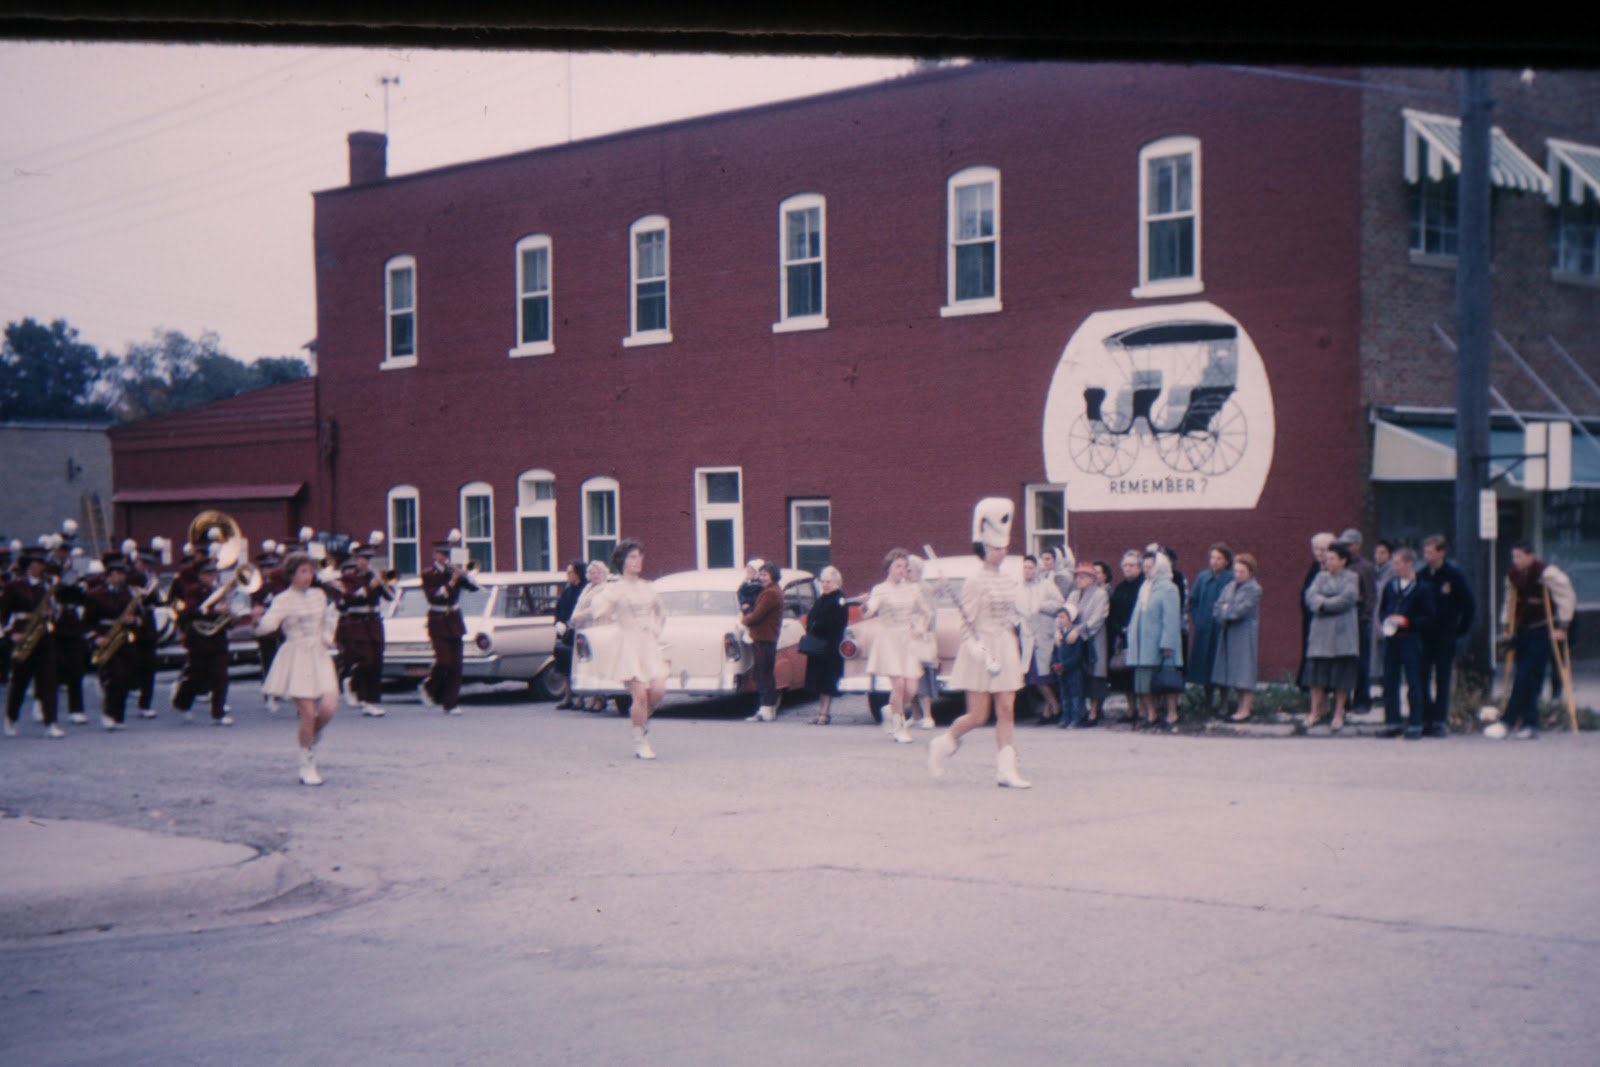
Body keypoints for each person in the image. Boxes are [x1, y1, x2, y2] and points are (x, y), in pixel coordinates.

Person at [929, 497, 1031, 788]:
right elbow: (967, 626)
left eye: (1004, 548)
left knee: (1007, 709)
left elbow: (1014, 615)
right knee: (978, 715)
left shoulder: (1009, 579)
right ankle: (943, 742)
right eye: (997, 548)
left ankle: (1006, 771)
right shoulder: (974, 581)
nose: (1002, 553)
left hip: (1005, 647)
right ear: (985, 547)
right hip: (982, 650)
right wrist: (980, 652)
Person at [571, 539, 669, 759]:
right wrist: (582, 616)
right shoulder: (614, 589)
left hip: (649, 646)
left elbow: (661, 613)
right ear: (622, 560)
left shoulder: (647, 587)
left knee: (659, 689)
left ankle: (642, 719)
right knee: (640, 695)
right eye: (632, 557)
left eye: (640, 556)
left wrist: (655, 629)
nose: (637, 561)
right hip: (628, 645)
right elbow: (599, 609)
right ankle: (640, 739)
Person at [253, 553, 341, 785]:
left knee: (330, 707)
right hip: (297, 656)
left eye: (310, 571)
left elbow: (329, 619)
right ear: (291, 575)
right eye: (303, 572)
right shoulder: (282, 599)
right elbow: (267, 627)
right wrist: (257, 619)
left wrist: (327, 637)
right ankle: (306, 763)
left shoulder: (319, 594)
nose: (308, 576)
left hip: (318, 655)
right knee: (308, 713)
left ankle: (310, 735)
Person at [1499, 542, 1577, 741]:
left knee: (1525, 675)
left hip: (1543, 630)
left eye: (1519, 556)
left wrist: (1563, 626)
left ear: (1531, 556)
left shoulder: (1547, 573)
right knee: (1529, 678)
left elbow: (1566, 597)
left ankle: (1508, 721)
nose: (1515, 561)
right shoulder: (1513, 575)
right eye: (1514, 557)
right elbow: (1509, 600)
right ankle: (1530, 724)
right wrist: (1506, 625)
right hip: (1523, 629)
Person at [862, 547, 931, 744]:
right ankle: (899, 728)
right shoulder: (880, 589)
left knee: (911, 688)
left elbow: (927, 613)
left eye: (904, 566)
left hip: (908, 640)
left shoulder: (913, 589)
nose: (902, 570)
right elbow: (869, 611)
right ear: (889, 568)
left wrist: (920, 628)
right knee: (898, 685)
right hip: (889, 639)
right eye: (898, 566)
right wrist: (865, 604)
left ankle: (890, 710)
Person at [1417, 534, 1474, 738]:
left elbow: (1468, 604)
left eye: (1430, 552)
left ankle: (1440, 720)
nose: (1427, 556)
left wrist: (1460, 630)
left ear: (1442, 553)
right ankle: (1426, 717)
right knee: (1421, 677)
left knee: (1443, 677)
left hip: (1445, 634)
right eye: (1425, 552)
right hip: (1424, 634)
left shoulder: (1454, 575)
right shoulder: (1422, 575)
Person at [4, 547, 63, 738]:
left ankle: (51, 722)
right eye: (38, 564)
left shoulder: (47, 586)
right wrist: (11, 634)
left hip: (43, 636)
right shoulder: (14, 586)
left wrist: (51, 613)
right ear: (30, 565)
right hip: (22, 633)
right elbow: (3, 614)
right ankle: (11, 718)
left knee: (48, 681)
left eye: (42, 564)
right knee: (20, 682)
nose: (41, 567)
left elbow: (56, 610)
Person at [1376, 547, 1435, 740]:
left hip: (1411, 639)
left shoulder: (1422, 588)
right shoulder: (1391, 586)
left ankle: (1416, 722)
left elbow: (1429, 617)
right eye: (1393, 563)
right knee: (1390, 681)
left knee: (1414, 682)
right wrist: (1386, 619)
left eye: (1398, 563)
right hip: (1392, 638)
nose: (1395, 567)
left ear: (1410, 564)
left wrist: (1408, 622)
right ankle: (1392, 723)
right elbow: (1383, 609)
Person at [1302, 541, 1359, 732]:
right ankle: (1315, 712)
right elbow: (1310, 597)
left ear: (1343, 560)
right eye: (1327, 559)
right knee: (1317, 675)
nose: (1328, 562)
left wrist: (1323, 603)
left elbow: (1347, 599)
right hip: (1320, 633)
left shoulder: (1352, 578)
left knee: (1342, 676)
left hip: (1343, 633)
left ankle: (1339, 713)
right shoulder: (1319, 577)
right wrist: (1324, 601)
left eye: (1333, 558)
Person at [172, 560, 236, 726]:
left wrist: (231, 615)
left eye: (214, 574)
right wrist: (214, 611)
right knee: (197, 675)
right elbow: (191, 611)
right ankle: (182, 703)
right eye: (208, 574)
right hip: (199, 640)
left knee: (221, 676)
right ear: (200, 576)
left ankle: (218, 714)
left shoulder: (221, 591)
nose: (212, 577)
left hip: (218, 639)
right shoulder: (194, 590)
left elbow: (227, 614)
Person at [418, 539, 479, 715]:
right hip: (438, 620)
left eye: (448, 555)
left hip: (454, 620)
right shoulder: (429, 574)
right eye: (442, 554)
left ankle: (450, 703)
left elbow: (473, 588)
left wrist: (465, 574)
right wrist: (452, 581)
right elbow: (434, 597)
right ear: (435, 555)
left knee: (456, 665)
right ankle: (428, 687)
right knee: (444, 661)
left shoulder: (453, 571)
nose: (445, 558)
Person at [1128, 550, 1184, 731]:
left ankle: (1172, 713)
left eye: (1150, 567)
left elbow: (1171, 619)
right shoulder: (1145, 587)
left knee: (1167, 679)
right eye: (1144, 567)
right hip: (1142, 644)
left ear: (1160, 567)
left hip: (1159, 643)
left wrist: (1167, 644)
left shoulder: (1169, 588)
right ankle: (1151, 713)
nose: (1146, 570)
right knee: (1144, 680)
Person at [336, 547, 391, 717]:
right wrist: (368, 587)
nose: (366, 562)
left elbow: (390, 596)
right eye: (363, 559)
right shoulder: (349, 577)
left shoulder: (374, 576)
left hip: (374, 623)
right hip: (358, 623)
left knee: (376, 662)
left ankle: (370, 700)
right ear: (356, 560)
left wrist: (382, 583)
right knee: (366, 660)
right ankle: (362, 694)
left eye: (368, 559)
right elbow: (348, 598)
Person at [1212, 553, 1262, 722]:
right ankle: (1233, 706)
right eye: (1236, 571)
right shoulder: (1230, 586)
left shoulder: (1254, 589)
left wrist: (1227, 609)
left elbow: (1239, 611)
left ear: (1250, 572)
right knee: (1230, 670)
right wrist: (1225, 610)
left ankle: (1245, 709)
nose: (1238, 575)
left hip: (1244, 634)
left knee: (1244, 671)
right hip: (1228, 633)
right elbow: (1217, 608)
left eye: (1242, 571)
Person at [1019, 554, 1065, 724]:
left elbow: (1060, 603)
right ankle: (1052, 708)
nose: (1027, 571)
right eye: (1025, 567)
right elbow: (1014, 610)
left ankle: (1054, 709)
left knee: (1043, 676)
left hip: (1044, 635)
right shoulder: (1020, 588)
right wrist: (1018, 622)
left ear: (1037, 569)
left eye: (1030, 567)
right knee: (1035, 677)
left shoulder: (1046, 585)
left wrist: (1041, 606)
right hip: (1028, 636)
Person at [1187, 543, 1233, 714]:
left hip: (1222, 629)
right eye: (1212, 557)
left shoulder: (1231, 578)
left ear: (1226, 561)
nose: (1214, 561)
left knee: (1221, 665)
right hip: (1204, 629)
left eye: (1219, 558)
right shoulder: (1203, 577)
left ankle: (1224, 702)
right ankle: (1208, 701)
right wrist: (1198, 619)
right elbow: (1193, 600)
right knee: (1205, 665)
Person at [1061, 561, 1108, 727]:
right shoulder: (1074, 594)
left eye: (1083, 576)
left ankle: (1094, 713)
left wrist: (1079, 630)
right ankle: (1079, 711)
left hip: (1093, 638)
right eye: (1078, 576)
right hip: (1074, 641)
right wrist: (1061, 630)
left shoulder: (1100, 594)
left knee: (1095, 674)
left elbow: (1098, 618)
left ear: (1092, 578)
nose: (1079, 579)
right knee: (1079, 675)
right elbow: (1065, 613)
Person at [803, 565, 848, 725]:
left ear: (837, 582)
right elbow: (812, 616)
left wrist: (817, 624)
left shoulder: (839, 599)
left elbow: (835, 621)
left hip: (831, 646)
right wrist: (813, 624)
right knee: (819, 681)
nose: (825, 584)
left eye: (829, 581)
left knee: (827, 681)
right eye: (823, 581)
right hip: (818, 645)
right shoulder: (822, 598)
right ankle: (820, 712)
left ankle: (825, 713)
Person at [741, 561, 785, 722]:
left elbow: (758, 615)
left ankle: (766, 709)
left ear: (773, 576)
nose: (762, 577)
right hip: (767, 637)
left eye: (765, 575)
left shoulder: (771, 593)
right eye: (761, 574)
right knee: (765, 673)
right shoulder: (773, 590)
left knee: (763, 674)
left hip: (764, 637)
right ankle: (768, 708)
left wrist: (744, 620)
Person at [1340, 528, 1378, 712]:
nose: (1346, 548)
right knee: (1344, 661)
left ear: (1357, 546)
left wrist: (1366, 617)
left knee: (1362, 662)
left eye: (1349, 545)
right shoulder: (1342, 565)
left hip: (1361, 620)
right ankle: (1344, 699)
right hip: (1344, 620)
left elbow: (1371, 595)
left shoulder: (1366, 567)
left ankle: (1362, 699)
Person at [1106, 550, 1144, 719]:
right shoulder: (1120, 588)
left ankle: (1144, 710)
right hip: (1122, 637)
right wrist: (1119, 628)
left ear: (1139, 567)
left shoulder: (1144, 586)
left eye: (1132, 565)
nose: (1128, 568)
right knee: (1124, 676)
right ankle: (1131, 710)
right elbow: (1113, 612)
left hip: (1140, 637)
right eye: (1125, 565)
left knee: (1139, 676)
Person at [904, 555, 941, 730]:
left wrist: (922, 629)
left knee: (923, 677)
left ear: (918, 571)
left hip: (921, 638)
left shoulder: (924, 588)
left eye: (909, 570)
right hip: (906, 637)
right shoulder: (904, 588)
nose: (906, 573)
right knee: (909, 677)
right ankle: (915, 714)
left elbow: (930, 613)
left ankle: (928, 715)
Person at [1298, 532, 1335, 691]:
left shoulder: (1335, 569)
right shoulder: (1314, 567)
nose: (1318, 553)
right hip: (1311, 619)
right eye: (1315, 549)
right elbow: (1306, 592)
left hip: (1329, 620)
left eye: (1323, 549)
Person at [551, 560, 586, 710]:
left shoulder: (584, 590)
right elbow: (559, 608)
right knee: (565, 666)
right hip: (565, 633)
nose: (568, 575)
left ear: (577, 573)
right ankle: (568, 696)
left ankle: (581, 698)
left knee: (580, 665)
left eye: (570, 572)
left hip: (578, 632)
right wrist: (558, 622)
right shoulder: (567, 590)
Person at [1050, 607, 1091, 729]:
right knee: (1064, 695)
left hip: (1074, 671)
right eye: (1058, 617)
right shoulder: (1059, 635)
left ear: (1070, 618)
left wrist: (1064, 665)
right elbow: (1055, 653)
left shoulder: (1075, 635)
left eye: (1062, 617)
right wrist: (1055, 664)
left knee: (1075, 696)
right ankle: (1065, 718)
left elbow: (1077, 656)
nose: (1060, 620)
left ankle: (1076, 718)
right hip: (1061, 672)